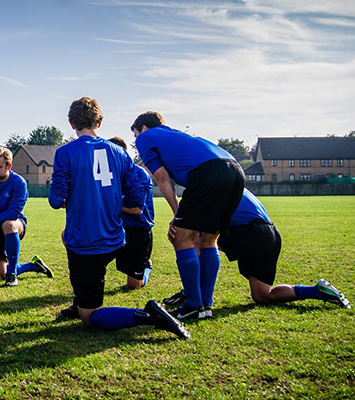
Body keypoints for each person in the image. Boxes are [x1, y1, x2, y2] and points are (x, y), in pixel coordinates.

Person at [50, 97, 188, 339]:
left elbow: (54, 199)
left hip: (86, 242)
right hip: (116, 237)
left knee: (90, 316)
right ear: (100, 122)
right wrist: (116, 202)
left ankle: (147, 315)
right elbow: (139, 187)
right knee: (72, 245)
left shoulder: (65, 153)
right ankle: (80, 298)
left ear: (71, 123)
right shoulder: (119, 153)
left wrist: (74, 198)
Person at [132, 111, 245, 320]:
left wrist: (178, 214)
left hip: (208, 172)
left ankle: (193, 304)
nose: (136, 140)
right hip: (235, 170)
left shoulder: (146, 137)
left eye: (136, 135)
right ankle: (205, 305)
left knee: (181, 237)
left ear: (144, 129)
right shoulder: (175, 136)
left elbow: (162, 178)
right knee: (209, 239)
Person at [163, 189, 351, 311]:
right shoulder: (227, 180)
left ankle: (193, 296)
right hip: (270, 234)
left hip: (251, 232)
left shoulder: (208, 186)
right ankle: (317, 291)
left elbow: (200, 229)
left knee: (195, 240)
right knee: (263, 295)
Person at [0, 146, 52, 287]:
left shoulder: (19, 183)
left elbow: (13, 212)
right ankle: (33, 265)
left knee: (8, 224)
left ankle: (13, 275)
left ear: (9, 166)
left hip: (16, 225)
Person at [109, 137, 154, 290]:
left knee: (133, 286)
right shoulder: (110, 174)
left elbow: (137, 210)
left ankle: (146, 268)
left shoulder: (138, 174)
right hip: (118, 228)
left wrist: (111, 205)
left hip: (138, 230)